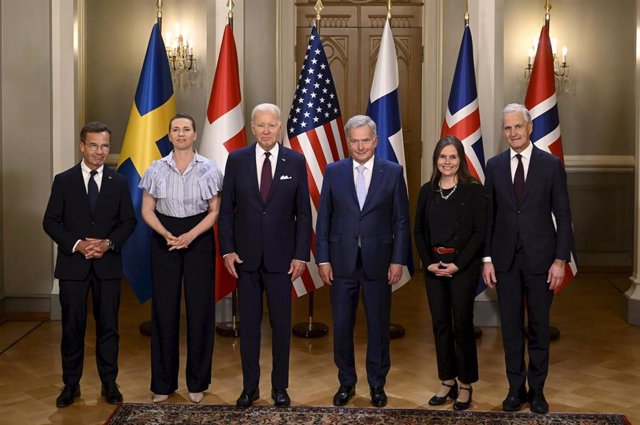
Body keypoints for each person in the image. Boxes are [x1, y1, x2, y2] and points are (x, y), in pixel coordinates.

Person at [482, 103, 574, 414]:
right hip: (505, 261)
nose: (512, 133)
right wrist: (487, 259)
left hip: (542, 262)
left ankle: (537, 390)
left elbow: (563, 215)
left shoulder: (550, 165)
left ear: (530, 127)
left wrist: (560, 260)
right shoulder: (493, 166)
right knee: (510, 328)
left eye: (517, 127)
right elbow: (489, 217)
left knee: (538, 327)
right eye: (507, 128)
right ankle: (514, 389)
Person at [218, 103, 312, 408]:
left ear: (280, 127)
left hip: (282, 261)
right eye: (261, 125)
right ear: (252, 127)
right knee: (248, 327)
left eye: (272, 125)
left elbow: (303, 213)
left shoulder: (295, 161)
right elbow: (226, 212)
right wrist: (228, 249)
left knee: (281, 327)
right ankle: (250, 388)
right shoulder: (237, 159)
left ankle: (279, 387)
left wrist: (300, 254)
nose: (267, 131)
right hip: (245, 260)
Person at [315, 115, 410, 408]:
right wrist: (323, 259)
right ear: (348, 142)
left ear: (375, 141)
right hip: (341, 262)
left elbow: (401, 221)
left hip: (379, 263)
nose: (360, 146)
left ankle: (377, 384)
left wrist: (398, 261)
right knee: (342, 325)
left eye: (365, 140)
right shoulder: (334, 171)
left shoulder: (392, 172)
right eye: (354, 141)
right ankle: (346, 382)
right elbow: (325, 219)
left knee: (378, 326)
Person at [43, 122, 136, 407]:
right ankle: (71, 385)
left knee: (109, 327)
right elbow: (50, 222)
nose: (100, 151)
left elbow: (128, 222)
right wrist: (78, 245)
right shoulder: (64, 180)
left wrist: (107, 243)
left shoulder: (118, 182)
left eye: (105, 146)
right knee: (72, 327)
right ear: (82, 146)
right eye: (94, 145)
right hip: (73, 266)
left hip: (107, 266)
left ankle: (109, 383)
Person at [139, 113, 223, 404]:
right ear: (170, 135)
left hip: (198, 239)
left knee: (200, 312)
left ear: (195, 134)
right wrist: (165, 234)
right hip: (164, 240)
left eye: (186, 129)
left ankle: (197, 382)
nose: (181, 134)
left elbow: (214, 211)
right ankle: (162, 383)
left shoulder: (209, 168)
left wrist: (190, 236)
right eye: (176, 129)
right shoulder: (156, 168)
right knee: (164, 311)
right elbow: (147, 209)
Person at [414, 136, 486, 411]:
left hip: (462, 268)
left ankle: (465, 383)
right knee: (440, 324)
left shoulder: (474, 191)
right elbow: (418, 231)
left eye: (452, 157)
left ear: (461, 160)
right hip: (434, 267)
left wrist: (459, 263)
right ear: (436, 160)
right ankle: (447, 380)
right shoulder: (426, 191)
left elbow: (480, 232)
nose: (447, 162)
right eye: (442, 157)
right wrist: (428, 262)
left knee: (462, 325)